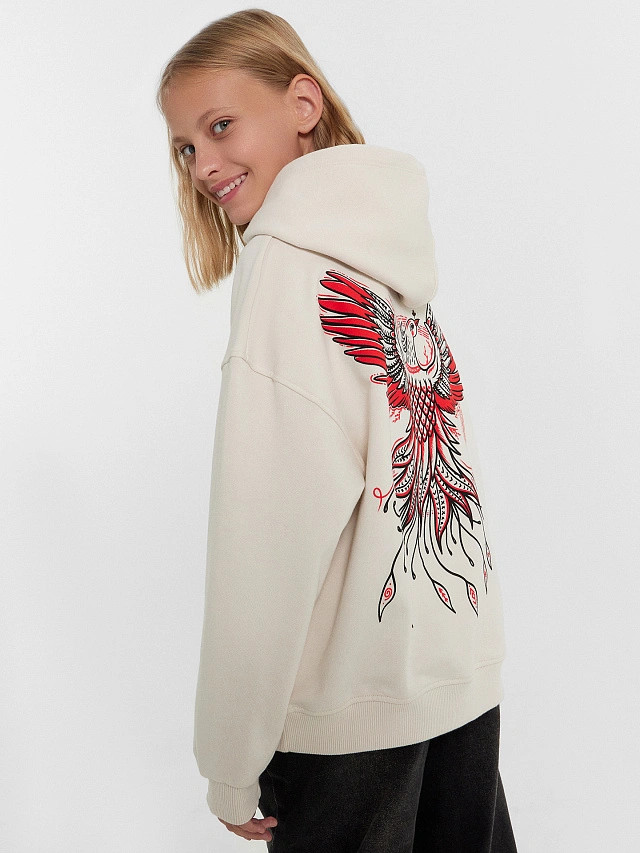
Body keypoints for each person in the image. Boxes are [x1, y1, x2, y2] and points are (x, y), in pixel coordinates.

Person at [157, 8, 518, 852]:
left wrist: (229, 759)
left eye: (220, 126)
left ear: (303, 103)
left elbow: (264, 543)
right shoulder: (391, 264)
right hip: (457, 687)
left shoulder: (286, 269)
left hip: (350, 731)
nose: (204, 165)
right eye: (184, 147)